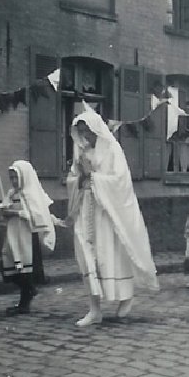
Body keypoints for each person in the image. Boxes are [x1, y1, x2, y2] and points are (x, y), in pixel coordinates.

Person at [66, 109, 159, 326]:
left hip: (108, 212)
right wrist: (78, 178)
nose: (84, 136)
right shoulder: (81, 152)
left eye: (87, 131)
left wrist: (93, 177)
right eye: (80, 132)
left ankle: (126, 297)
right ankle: (94, 308)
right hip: (85, 208)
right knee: (87, 255)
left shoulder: (112, 149)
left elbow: (121, 181)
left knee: (110, 255)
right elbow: (73, 178)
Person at [0, 161, 56, 315]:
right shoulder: (11, 193)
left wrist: (17, 213)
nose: (14, 181)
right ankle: (29, 290)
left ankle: (24, 302)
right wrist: (4, 210)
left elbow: (35, 216)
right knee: (8, 264)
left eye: (16, 178)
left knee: (25, 268)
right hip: (13, 234)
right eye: (11, 178)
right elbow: (2, 213)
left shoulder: (31, 195)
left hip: (26, 237)